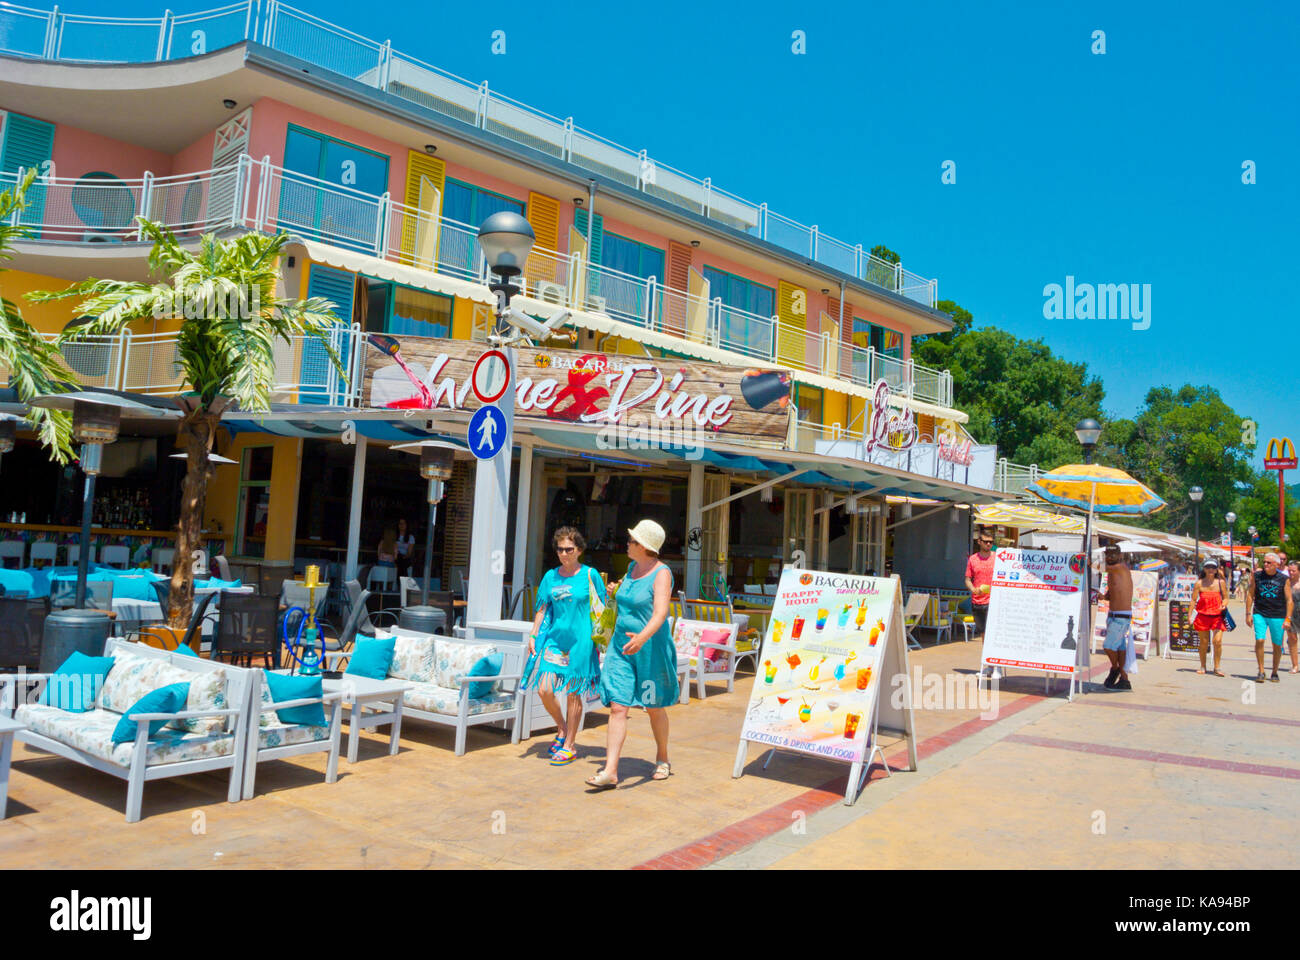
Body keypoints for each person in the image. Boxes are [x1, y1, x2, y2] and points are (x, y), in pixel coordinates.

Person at [586, 519, 678, 790]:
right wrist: (617, 591)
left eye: (632, 541)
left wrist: (642, 637)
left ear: (645, 546)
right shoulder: (631, 568)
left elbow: (661, 612)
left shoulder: (662, 573)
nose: (627, 543)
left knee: (652, 706)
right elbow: (628, 598)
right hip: (620, 648)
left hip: (649, 650)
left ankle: (662, 758)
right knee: (618, 706)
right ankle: (610, 771)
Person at [525, 527, 605, 766]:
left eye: (569, 549)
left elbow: (601, 609)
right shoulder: (550, 576)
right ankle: (561, 727)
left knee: (573, 693)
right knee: (544, 689)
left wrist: (602, 641)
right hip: (555, 640)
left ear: (579, 550)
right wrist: (533, 633)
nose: (564, 554)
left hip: (582, 640)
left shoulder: (590, 575)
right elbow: (542, 608)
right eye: (560, 549)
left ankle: (570, 745)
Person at [1245, 552, 1293, 683]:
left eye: (1269, 563)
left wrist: (1288, 618)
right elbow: (1250, 594)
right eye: (1264, 562)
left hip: (1278, 614)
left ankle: (1274, 671)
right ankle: (1261, 671)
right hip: (1260, 612)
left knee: (1276, 645)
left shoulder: (1284, 579)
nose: (1265, 564)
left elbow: (1289, 600)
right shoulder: (1257, 576)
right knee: (1259, 640)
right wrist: (1248, 614)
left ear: (1276, 564)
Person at [1100, 544, 1134, 690]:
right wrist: (1104, 596)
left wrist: (1083, 558)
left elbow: (1097, 566)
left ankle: (1114, 669)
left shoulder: (1119, 567)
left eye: (1113, 554)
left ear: (1120, 556)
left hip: (1121, 616)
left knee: (1108, 646)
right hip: (1113, 615)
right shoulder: (1113, 571)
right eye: (1107, 554)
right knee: (1120, 648)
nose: (1110, 557)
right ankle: (1124, 680)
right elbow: (1114, 590)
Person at [965, 531, 997, 679]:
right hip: (977, 602)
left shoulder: (997, 558)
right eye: (986, 541)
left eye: (991, 541)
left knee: (993, 634)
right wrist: (973, 590)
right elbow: (967, 579)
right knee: (984, 635)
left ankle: (996, 666)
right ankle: (989, 666)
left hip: (993, 600)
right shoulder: (973, 559)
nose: (989, 544)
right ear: (979, 541)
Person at [1191, 559, 1228, 677]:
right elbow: (1193, 600)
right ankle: (1203, 666)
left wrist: (1224, 604)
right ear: (1204, 569)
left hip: (1217, 616)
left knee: (1217, 641)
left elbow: (1226, 598)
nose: (1211, 569)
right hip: (1203, 616)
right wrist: (1189, 615)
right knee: (1203, 642)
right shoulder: (1199, 583)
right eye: (1208, 567)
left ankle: (1217, 667)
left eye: (1213, 567)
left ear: (1216, 569)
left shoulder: (1220, 583)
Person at [1287, 561, 1300, 675]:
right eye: (1289, 571)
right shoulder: (1286, 583)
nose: (1291, 573)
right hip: (1290, 614)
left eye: (1293, 571)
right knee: (1292, 639)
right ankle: (1295, 665)